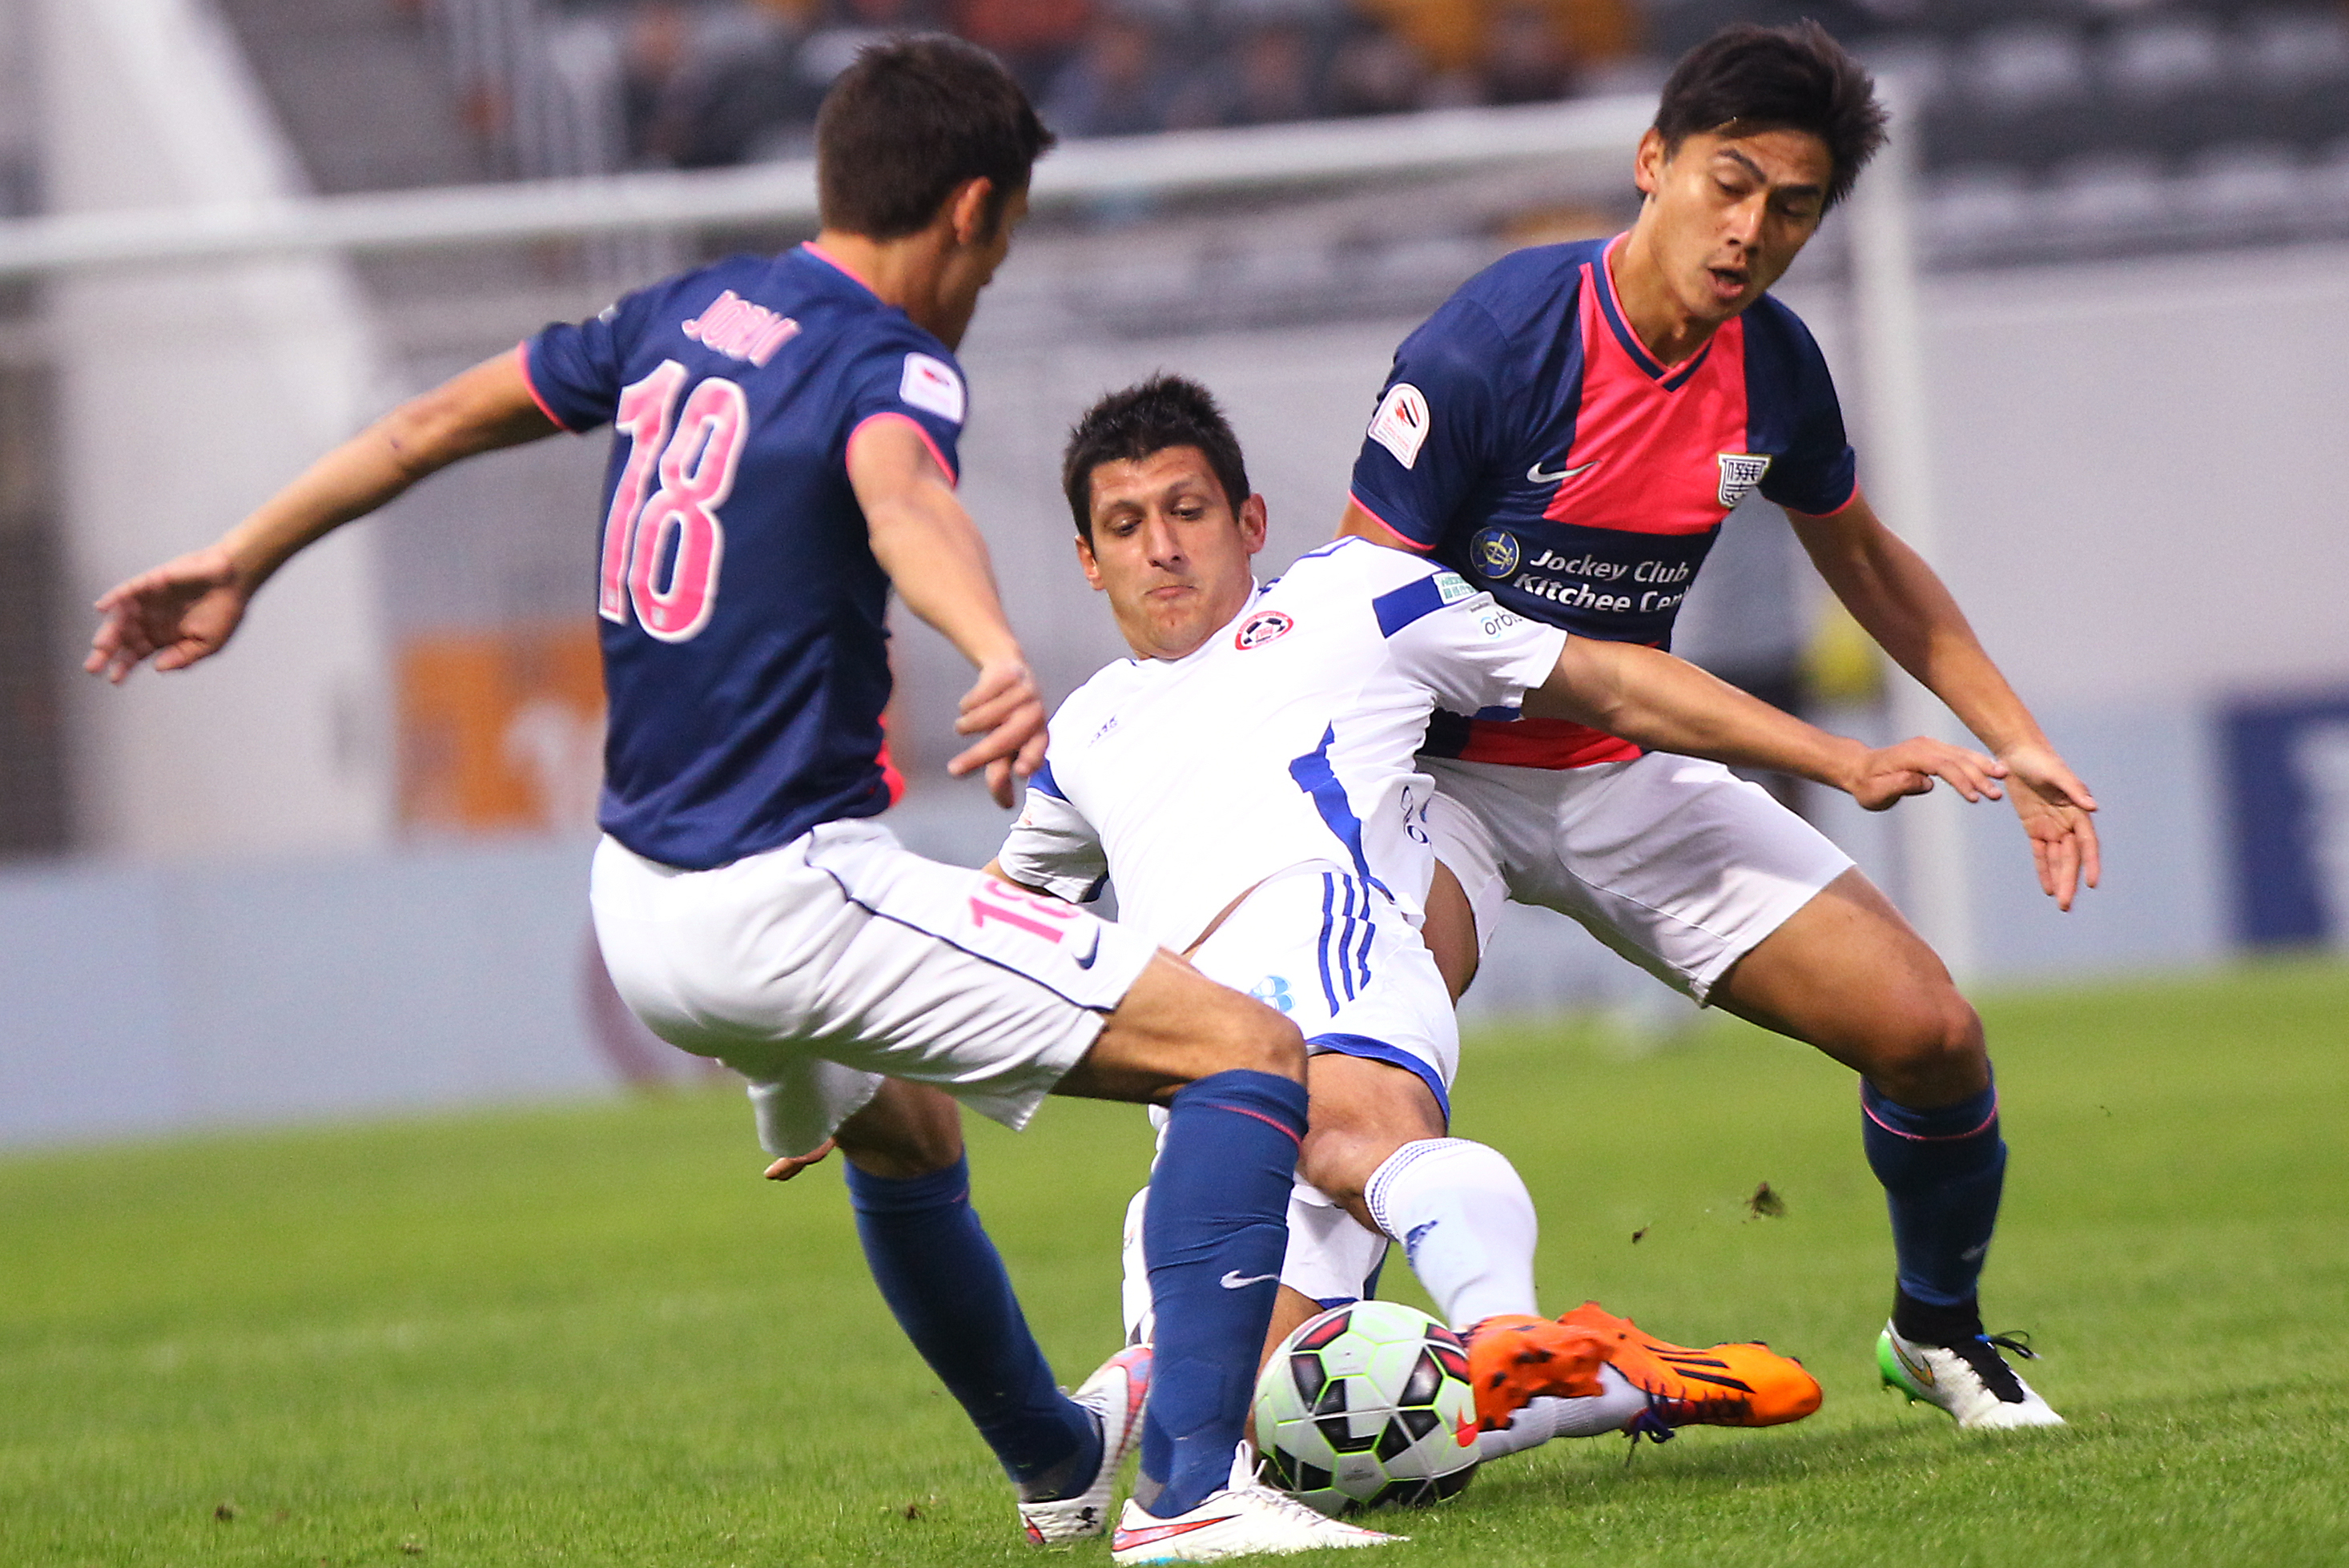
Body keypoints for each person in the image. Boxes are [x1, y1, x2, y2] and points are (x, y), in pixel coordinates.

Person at [83, 39, 1384, 1563]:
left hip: (638, 905)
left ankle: (1054, 1456)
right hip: (788, 893)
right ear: (969, 210)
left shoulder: (682, 314)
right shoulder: (886, 357)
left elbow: (429, 423)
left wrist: (242, 554)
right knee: (1245, 1052)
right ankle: (1190, 1496)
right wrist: (993, 648)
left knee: (905, 1137)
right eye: (1002, 242)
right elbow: (905, 492)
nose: (984, 282)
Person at [988, 373, 2004, 1465]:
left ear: (1248, 522)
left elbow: (1604, 681)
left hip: (1334, 964)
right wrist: (846, 1068)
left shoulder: (1357, 599)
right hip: (1191, 1074)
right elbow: (994, 923)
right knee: (1241, 1417)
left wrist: (1839, 757)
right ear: (1089, 560)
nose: (1161, 549)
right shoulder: (1082, 733)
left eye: (1187, 511)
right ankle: (1598, 1376)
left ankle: (1501, 1321)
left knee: (1341, 1133)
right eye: (1125, 526)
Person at [1337, 21, 2094, 1429]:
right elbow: (1358, 609)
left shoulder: (1774, 368)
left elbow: (1861, 555)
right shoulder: (1493, 342)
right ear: (1653, 164)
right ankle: (1268, 1399)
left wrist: (2017, 733)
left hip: (1623, 773)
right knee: (1370, 1090)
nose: (1752, 230)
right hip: (1431, 783)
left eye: (1792, 205)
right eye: (1729, 184)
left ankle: (1936, 1333)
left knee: (1930, 1032)